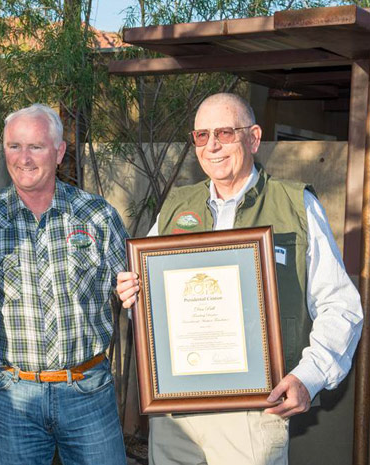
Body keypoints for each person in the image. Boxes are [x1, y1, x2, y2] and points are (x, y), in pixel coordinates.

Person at [116, 92, 363, 465]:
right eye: (201, 136)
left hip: (253, 413)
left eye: (225, 133)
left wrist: (307, 377)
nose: (212, 146)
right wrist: (133, 295)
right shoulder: (175, 207)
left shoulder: (296, 206)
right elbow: (149, 308)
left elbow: (341, 306)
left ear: (254, 137)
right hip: (175, 416)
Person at [0, 103, 128, 465]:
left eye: (36, 147)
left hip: (88, 391)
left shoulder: (98, 215)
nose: (23, 158)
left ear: (59, 152)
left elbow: (136, 296)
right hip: (11, 397)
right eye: (14, 146)